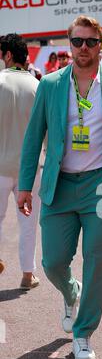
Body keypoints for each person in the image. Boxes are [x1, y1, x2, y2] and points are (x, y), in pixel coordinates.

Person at [17, 16, 102, 359]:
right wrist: (25, 185)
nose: (83, 48)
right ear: (68, 44)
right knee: (53, 261)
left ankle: (83, 332)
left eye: (90, 42)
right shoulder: (51, 84)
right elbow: (33, 138)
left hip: (100, 183)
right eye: (77, 42)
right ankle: (71, 293)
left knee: (97, 259)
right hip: (59, 183)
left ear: (100, 44)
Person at [0, 33, 40, 288]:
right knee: (28, 222)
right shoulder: (38, 85)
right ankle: (28, 274)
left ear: (8, 55)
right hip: (30, 168)